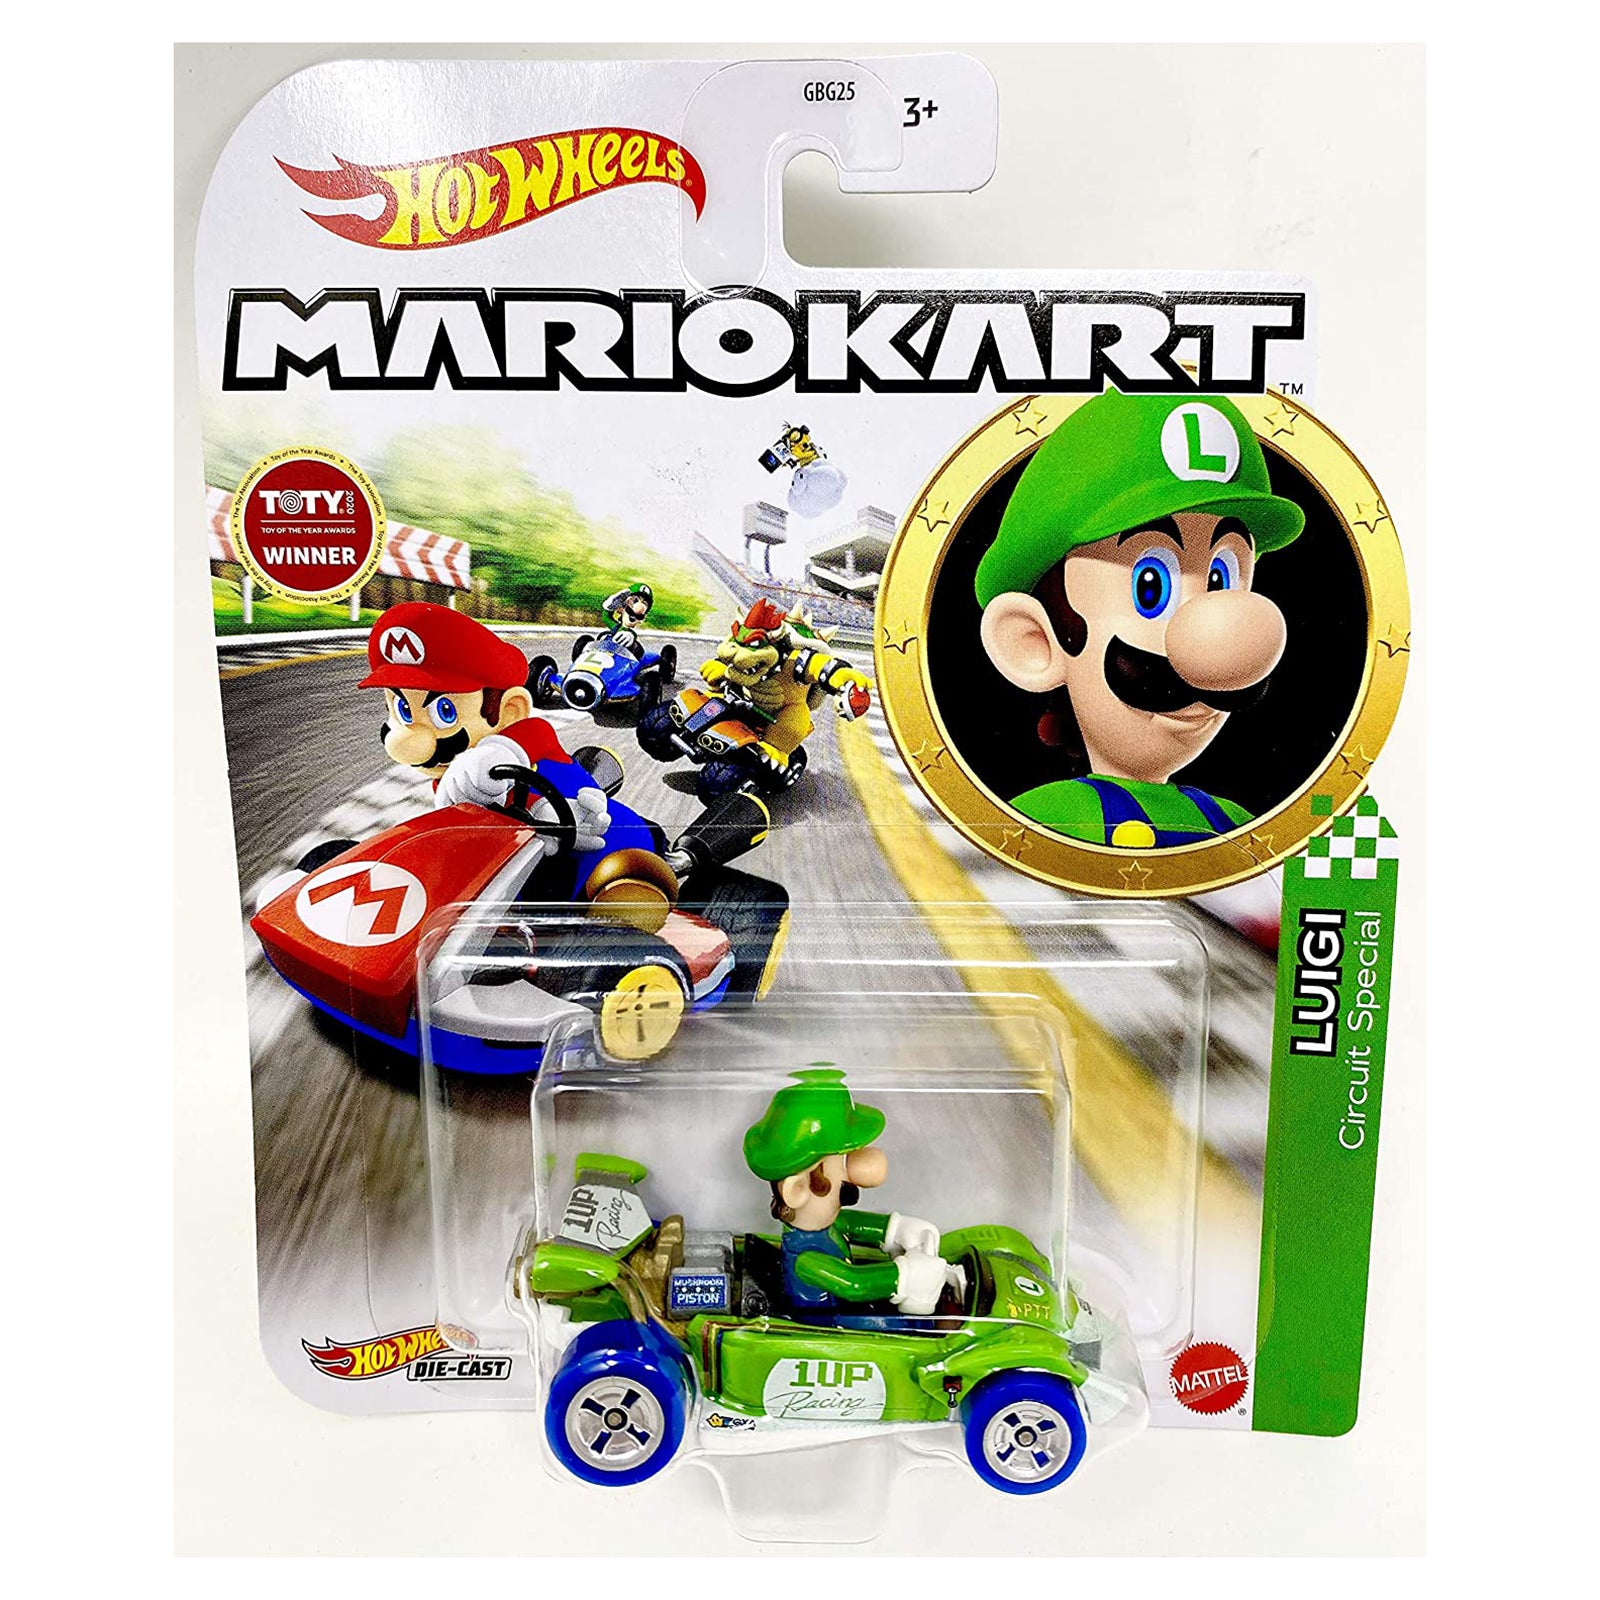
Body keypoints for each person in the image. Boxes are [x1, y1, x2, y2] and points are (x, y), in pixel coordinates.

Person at [975, 390, 1305, 847]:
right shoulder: (1042, 823)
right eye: (1151, 586)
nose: (1215, 642)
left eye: (1220, 578)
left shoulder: (1233, 823)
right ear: (1035, 643)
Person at [742, 1068, 964, 1319]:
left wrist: (896, 1229)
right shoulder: (806, 1259)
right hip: (826, 1324)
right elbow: (854, 1284)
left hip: (844, 1311)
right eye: (840, 1165)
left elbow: (853, 1225)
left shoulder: (827, 1226)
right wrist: (904, 1276)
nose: (853, 1175)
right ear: (798, 1190)